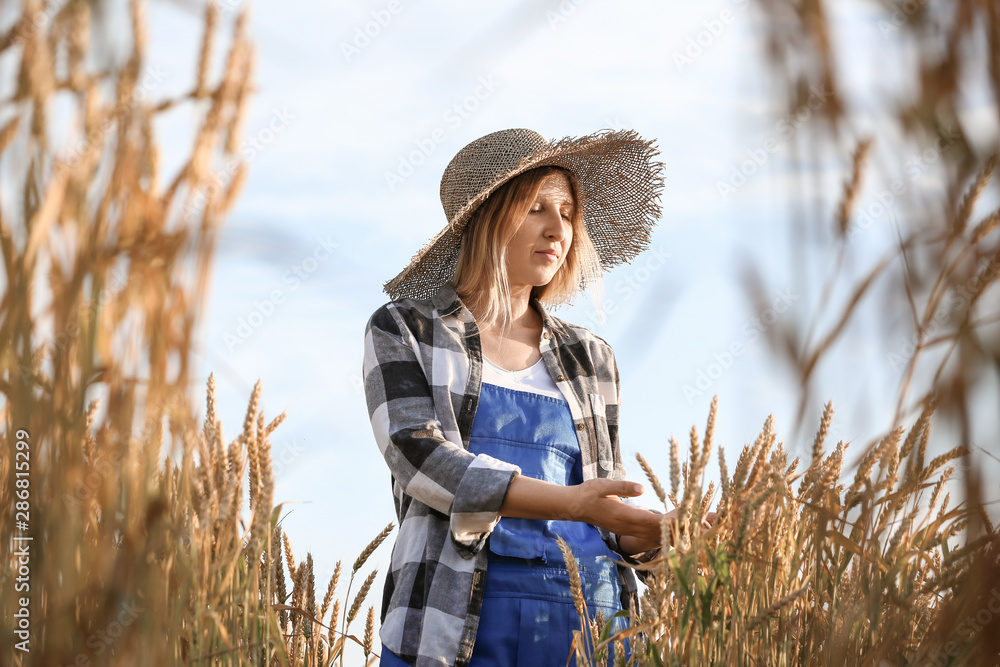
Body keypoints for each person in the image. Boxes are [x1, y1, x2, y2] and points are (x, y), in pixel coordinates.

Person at [362, 128, 669, 667]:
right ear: (484, 220)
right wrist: (573, 503)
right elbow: (419, 457)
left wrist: (651, 535)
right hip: (452, 616)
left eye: (568, 213)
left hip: (589, 621)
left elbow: (603, 500)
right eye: (535, 208)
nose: (558, 229)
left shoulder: (589, 356)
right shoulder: (409, 329)